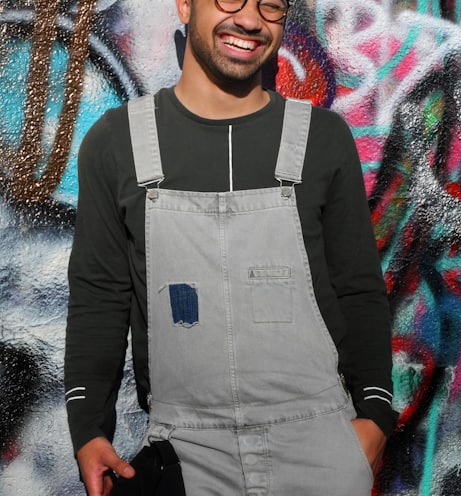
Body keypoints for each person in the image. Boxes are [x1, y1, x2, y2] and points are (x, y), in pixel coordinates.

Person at [64, 0, 398, 494]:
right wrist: (88, 430)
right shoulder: (116, 143)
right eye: (229, 0)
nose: (248, 19)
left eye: (269, 6)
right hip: (186, 454)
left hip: (319, 449)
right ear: (184, 6)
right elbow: (99, 298)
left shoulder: (323, 139)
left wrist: (374, 417)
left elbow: (359, 290)